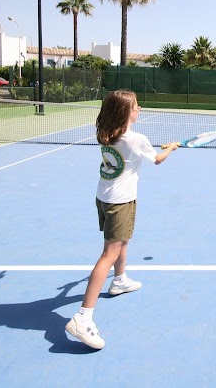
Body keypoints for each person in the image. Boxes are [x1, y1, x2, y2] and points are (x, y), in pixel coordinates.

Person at [65, 90, 179, 350]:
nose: (140, 109)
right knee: (109, 253)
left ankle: (119, 280)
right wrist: (171, 148)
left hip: (104, 198)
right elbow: (157, 159)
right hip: (120, 202)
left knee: (122, 240)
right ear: (126, 112)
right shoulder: (136, 140)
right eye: (136, 106)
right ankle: (83, 317)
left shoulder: (106, 133)